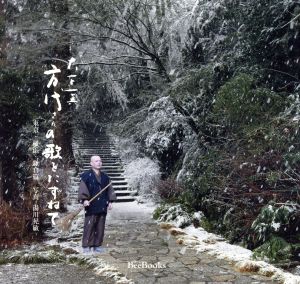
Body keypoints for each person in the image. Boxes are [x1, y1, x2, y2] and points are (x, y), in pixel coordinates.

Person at [78, 155, 117, 253]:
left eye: (100, 161)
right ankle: (86, 246)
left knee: (100, 226)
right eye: (96, 161)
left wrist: (110, 201)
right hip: (91, 205)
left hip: (102, 204)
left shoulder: (105, 177)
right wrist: (84, 200)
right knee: (89, 225)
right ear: (91, 163)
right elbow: (83, 189)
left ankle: (97, 245)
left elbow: (110, 190)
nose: (99, 163)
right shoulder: (86, 176)